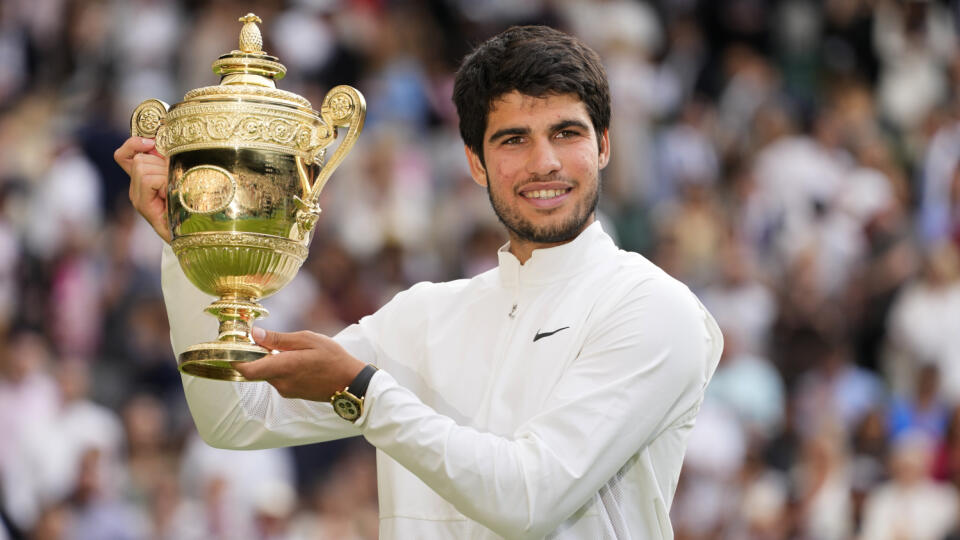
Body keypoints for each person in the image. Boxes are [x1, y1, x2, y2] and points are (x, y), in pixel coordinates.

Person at [115, 25, 723, 539]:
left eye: (567, 133)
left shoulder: (653, 308)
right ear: (475, 162)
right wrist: (189, 241)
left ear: (605, 145)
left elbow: (529, 498)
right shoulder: (426, 315)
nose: (545, 163)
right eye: (514, 139)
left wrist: (362, 391)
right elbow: (236, 417)